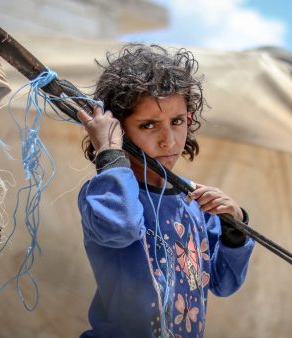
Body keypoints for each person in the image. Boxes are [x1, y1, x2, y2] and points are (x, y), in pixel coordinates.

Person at [76, 44, 254, 338]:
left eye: (177, 122)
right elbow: (120, 228)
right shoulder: (105, 194)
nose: (168, 141)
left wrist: (235, 225)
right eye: (148, 125)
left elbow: (224, 282)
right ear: (118, 129)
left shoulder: (195, 204)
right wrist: (110, 154)